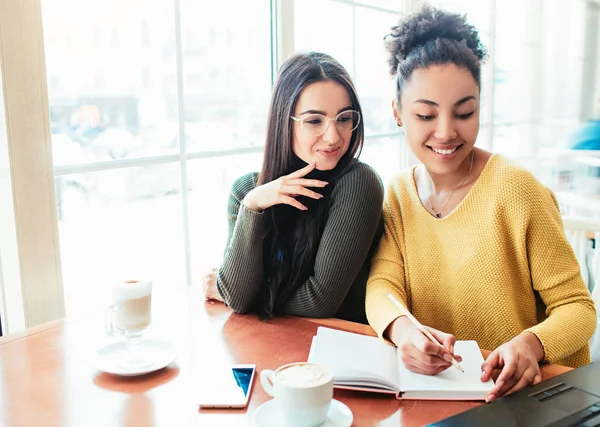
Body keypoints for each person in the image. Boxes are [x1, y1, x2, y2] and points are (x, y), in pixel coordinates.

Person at [365, 6, 596, 402]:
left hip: (529, 398)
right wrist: (402, 331)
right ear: (398, 113)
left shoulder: (518, 191)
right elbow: (383, 285)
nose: (446, 132)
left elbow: (578, 308)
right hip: (441, 396)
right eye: (425, 114)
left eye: (464, 112)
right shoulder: (399, 194)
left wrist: (531, 344)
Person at [202, 52, 384, 324]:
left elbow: (319, 302)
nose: (334, 137)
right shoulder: (247, 192)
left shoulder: (358, 182)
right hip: (276, 348)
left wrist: (236, 292)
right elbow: (238, 299)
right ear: (283, 121)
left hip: (344, 349)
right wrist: (252, 206)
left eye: (344, 118)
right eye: (314, 121)